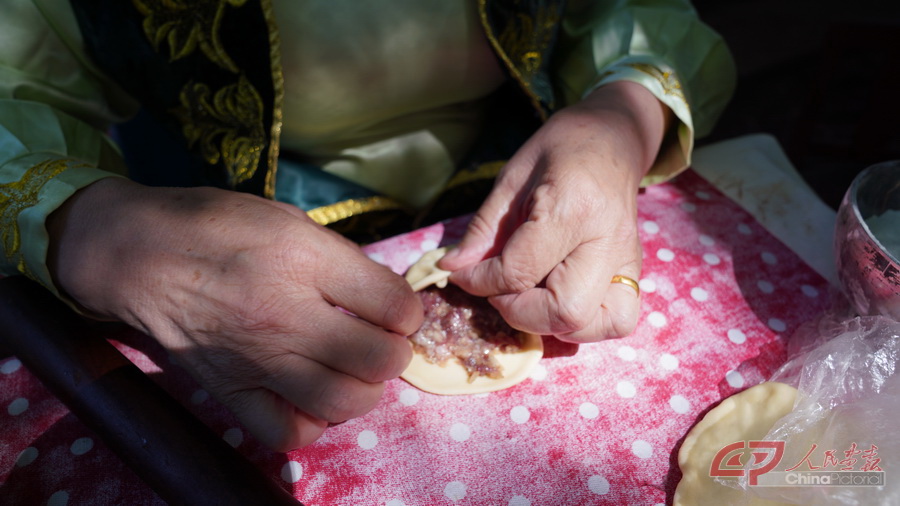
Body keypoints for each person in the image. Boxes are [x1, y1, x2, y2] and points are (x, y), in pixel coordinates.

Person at [0, 0, 735, 451]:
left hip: (529, 173)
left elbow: (628, 11)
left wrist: (627, 112)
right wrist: (94, 229)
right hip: (235, 253)